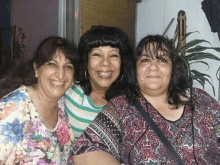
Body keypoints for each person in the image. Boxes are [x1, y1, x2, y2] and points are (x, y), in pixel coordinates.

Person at [72, 35, 220, 164]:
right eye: (145, 60)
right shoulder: (121, 107)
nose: (153, 67)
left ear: (173, 68)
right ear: (134, 68)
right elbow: (84, 149)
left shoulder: (199, 99)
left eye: (162, 59)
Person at [0, 36, 80, 164]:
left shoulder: (60, 105)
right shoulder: (14, 110)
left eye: (68, 67)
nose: (60, 74)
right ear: (36, 69)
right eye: (52, 64)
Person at [64, 25, 134, 138]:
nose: (105, 63)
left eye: (113, 55)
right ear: (86, 60)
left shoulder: (128, 107)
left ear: (122, 62)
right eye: (97, 54)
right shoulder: (68, 90)